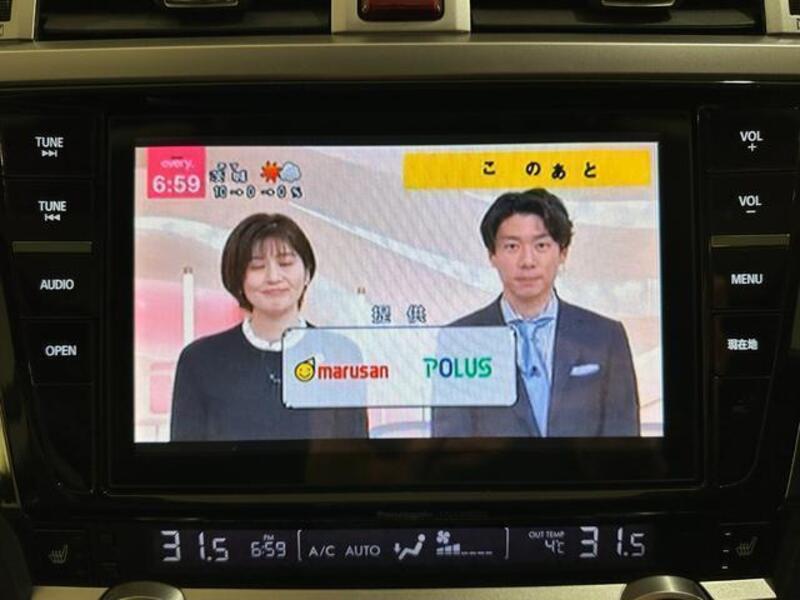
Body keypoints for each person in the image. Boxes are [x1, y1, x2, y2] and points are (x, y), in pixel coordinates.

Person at [432, 188, 640, 438]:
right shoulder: (461, 340)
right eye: (512, 246)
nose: (527, 261)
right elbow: (450, 445)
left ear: (562, 252)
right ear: (492, 255)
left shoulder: (605, 337)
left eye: (541, 245)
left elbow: (625, 438)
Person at [170, 213, 368, 441]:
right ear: (238, 279)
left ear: (307, 273)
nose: (273, 277)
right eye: (257, 266)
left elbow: (355, 451)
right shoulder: (199, 360)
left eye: (285, 263)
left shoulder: (341, 353)